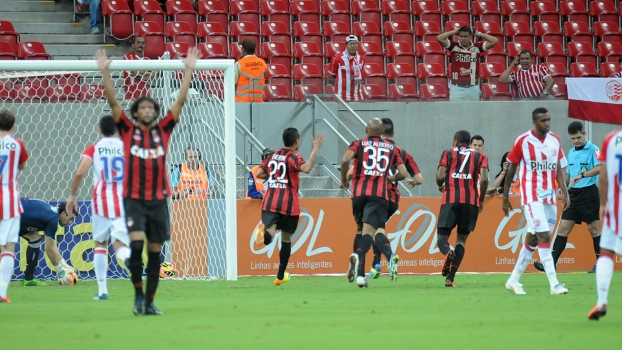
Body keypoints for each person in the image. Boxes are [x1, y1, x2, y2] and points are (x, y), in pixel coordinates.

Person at [97, 46, 199, 315]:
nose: (145, 109)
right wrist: (106, 72)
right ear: (136, 112)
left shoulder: (164, 129)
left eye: (150, 107)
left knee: (155, 252)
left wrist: (188, 70)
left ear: (155, 112)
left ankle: (150, 301)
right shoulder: (127, 130)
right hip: (134, 199)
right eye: (141, 107)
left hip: (158, 200)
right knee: (137, 245)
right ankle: (137, 298)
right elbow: (112, 102)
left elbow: (180, 101)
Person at [503, 107, 570, 295]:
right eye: (543, 121)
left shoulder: (555, 140)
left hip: (549, 196)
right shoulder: (523, 141)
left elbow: (557, 166)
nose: (547, 123)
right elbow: (511, 169)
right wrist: (505, 196)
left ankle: (513, 280)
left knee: (533, 239)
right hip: (531, 196)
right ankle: (554, 284)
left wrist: (564, 191)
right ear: (534, 122)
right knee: (544, 236)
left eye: (549, 119)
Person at [65, 116, 131, 300]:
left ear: (100, 130)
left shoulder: (94, 148)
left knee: (100, 244)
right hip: (123, 201)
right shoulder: (125, 148)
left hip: (101, 201)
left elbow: (80, 172)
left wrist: (72, 196)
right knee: (120, 243)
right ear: (117, 130)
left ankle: (102, 291)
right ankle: (128, 259)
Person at [342, 118, 407, 288]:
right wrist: (389, 178)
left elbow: (344, 160)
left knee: (359, 230)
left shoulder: (357, 144)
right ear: (382, 131)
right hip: (378, 194)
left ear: (366, 129)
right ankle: (357, 256)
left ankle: (360, 277)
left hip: (358, 193)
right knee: (369, 233)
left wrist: (343, 180)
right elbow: (403, 173)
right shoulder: (391, 148)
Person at [254, 129, 324, 285]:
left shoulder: (272, 155)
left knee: (269, 237)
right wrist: (316, 148)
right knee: (286, 240)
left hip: (271, 202)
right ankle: (280, 276)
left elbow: (259, 173)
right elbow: (306, 168)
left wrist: (275, 175)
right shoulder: (293, 157)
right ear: (297, 141)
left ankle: (263, 233)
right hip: (289, 205)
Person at [533, 121, 601, 273]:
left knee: (594, 229)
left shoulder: (594, 149)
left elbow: (600, 167)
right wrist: (561, 188)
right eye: (573, 138)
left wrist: (582, 175)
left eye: (578, 137)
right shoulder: (571, 153)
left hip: (589, 192)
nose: (576, 141)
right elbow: (568, 174)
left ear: (584, 134)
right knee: (563, 228)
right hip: (574, 194)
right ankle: (550, 264)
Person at [368, 117, 424, 279]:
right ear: (394, 133)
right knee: (378, 229)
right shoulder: (403, 152)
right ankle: (376, 265)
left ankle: (390, 256)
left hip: (376, 195)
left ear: (378, 132)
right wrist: (412, 183)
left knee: (372, 230)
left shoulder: (372, 148)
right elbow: (420, 179)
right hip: (393, 199)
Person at [436, 130, 489, 287]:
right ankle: (450, 278)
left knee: (442, 238)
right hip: (470, 201)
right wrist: (481, 199)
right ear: (469, 142)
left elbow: (440, 176)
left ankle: (447, 252)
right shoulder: (481, 156)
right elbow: (485, 180)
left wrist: (441, 186)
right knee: (461, 240)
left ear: (455, 140)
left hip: (450, 199)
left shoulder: (448, 152)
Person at [587, 129, 622, 320]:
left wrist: (603, 205)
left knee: (607, 252)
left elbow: (604, 176)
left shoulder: (611, 139)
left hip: (617, 206)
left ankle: (601, 301)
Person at [0, 109, 28, 303]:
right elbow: (22, 165)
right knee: (8, 246)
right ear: (13, 126)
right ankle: (2, 292)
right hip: (9, 199)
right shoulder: (17, 144)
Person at [19, 198, 79, 286]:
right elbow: (49, 249)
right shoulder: (53, 220)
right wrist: (60, 270)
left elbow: (52, 246)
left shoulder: (51, 213)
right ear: (63, 213)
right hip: (8, 215)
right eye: (71, 218)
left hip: (17, 218)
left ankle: (28, 279)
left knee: (34, 238)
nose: (70, 223)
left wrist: (64, 265)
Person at [436, 26, 499, 101]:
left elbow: (495, 41)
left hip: (472, 87)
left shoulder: (477, 47)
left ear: (470, 37)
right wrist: (454, 32)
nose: (463, 38)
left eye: (465, 36)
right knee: (455, 112)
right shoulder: (454, 46)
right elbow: (439, 38)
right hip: (456, 87)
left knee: (473, 112)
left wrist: (479, 34)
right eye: (461, 36)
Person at [327, 35, 365, 102]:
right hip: (342, 96)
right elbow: (330, 76)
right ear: (346, 45)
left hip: (357, 96)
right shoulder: (337, 58)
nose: (352, 46)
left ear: (357, 45)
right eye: (350, 44)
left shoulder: (361, 59)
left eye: (354, 44)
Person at [123, 36, 156, 100]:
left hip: (145, 96)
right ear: (133, 45)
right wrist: (146, 74)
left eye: (142, 43)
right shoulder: (127, 56)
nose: (140, 44)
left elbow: (154, 76)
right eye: (138, 42)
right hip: (131, 96)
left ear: (145, 46)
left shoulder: (147, 59)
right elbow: (135, 73)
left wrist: (139, 74)